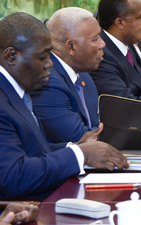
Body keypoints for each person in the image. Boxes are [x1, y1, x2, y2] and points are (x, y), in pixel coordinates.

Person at [0, 13, 128, 206]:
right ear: (11, 56)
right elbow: (14, 176)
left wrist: (75, 146)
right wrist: (81, 154)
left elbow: (31, 150)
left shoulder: (12, 88)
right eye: (42, 57)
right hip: (11, 214)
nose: (50, 64)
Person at [31, 8, 103, 144]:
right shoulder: (47, 81)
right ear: (71, 47)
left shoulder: (83, 74)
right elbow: (80, 138)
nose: (102, 44)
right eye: (95, 39)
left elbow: (95, 124)